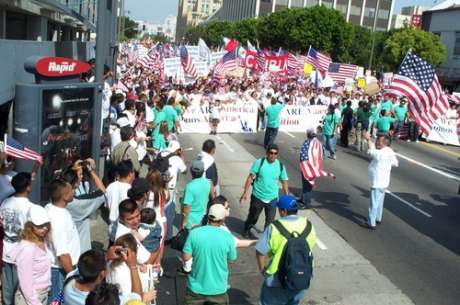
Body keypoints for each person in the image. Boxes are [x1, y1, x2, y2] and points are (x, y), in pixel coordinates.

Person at [255, 195, 316, 305]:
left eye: (279, 209)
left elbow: (260, 251)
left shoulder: (274, 227)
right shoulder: (308, 225)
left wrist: (262, 269)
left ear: (283, 211)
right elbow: (311, 246)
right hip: (301, 277)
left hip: (277, 280)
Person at [182, 204, 237, 305]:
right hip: (218, 289)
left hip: (196, 288)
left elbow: (186, 257)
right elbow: (232, 260)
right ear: (222, 220)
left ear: (208, 216)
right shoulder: (228, 237)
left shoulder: (194, 233)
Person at [239, 144, 289, 239]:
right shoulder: (259, 163)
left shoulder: (281, 166)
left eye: (275, 153)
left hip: (272, 198)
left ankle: (265, 239)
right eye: (271, 153)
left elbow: (284, 182)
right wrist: (245, 192)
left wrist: (286, 196)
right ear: (267, 153)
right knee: (253, 217)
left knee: (270, 221)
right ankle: (247, 228)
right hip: (257, 196)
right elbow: (250, 178)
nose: (273, 155)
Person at [64, 249, 147, 305]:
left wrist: (106, 256)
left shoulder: (69, 282)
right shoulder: (104, 300)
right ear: (102, 274)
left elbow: (87, 266)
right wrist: (133, 266)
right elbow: (136, 299)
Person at [1, 172, 36, 305]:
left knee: (7, 291)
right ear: (27, 187)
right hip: (22, 255)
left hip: (6, 252)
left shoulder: (5, 203)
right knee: (22, 291)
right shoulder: (30, 207)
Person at [45, 179, 80, 302]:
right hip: (60, 271)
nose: (74, 192)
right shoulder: (58, 218)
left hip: (61, 269)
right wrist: (73, 276)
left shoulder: (51, 208)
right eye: (71, 190)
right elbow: (62, 254)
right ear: (65, 196)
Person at [9, 205, 51, 305]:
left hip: (42, 294)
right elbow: (25, 283)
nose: (45, 228)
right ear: (30, 226)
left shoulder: (42, 240)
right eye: (40, 225)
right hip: (30, 299)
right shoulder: (28, 249)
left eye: (46, 224)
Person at [62, 159, 106, 253]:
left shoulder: (56, 199)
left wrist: (73, 169)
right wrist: (90, 171)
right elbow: (102, 191)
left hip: (63, 249)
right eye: (80, 175)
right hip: (80, 251)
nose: (82, 177)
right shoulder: (79, 203)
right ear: (75, 183)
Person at [361, 134, 399, 229]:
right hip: (384, 182)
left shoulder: (380, 153)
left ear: (385, 143)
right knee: (379, 202)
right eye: (377, 140)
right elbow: (395, 163)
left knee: (373, 203)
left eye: (379, 141)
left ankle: (371, 223)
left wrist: (368, 139)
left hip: (377, 182)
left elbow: (371, 152)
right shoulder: (389, 151)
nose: (377, 142)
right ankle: (378, 218)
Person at [106, 234, 156, 303]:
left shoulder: (109, 261)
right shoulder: (124, 275)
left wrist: (140, 268)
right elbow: (132, 301)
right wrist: (144, 298)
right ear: (134, 253)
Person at [114, 199, 158, 265]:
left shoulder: (130, 227)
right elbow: (148, 262)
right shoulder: (125, 237)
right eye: (130, 219)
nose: (136, 221)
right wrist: (158, 247)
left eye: (137, 216)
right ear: (121, 218)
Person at [181, 160, 214, 230]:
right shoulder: (209, 182)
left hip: (191, 221)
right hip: (203, 218)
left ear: (191, 171)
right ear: (203, 172)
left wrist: (184, 222)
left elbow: (187, 207)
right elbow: (213, 198)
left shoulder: (190, 186)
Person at [106, 161, 135, 242]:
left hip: (112, 228)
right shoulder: (131, 190)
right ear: (130, 174)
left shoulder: (110, 186)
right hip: (125, 230)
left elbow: (108, 206)